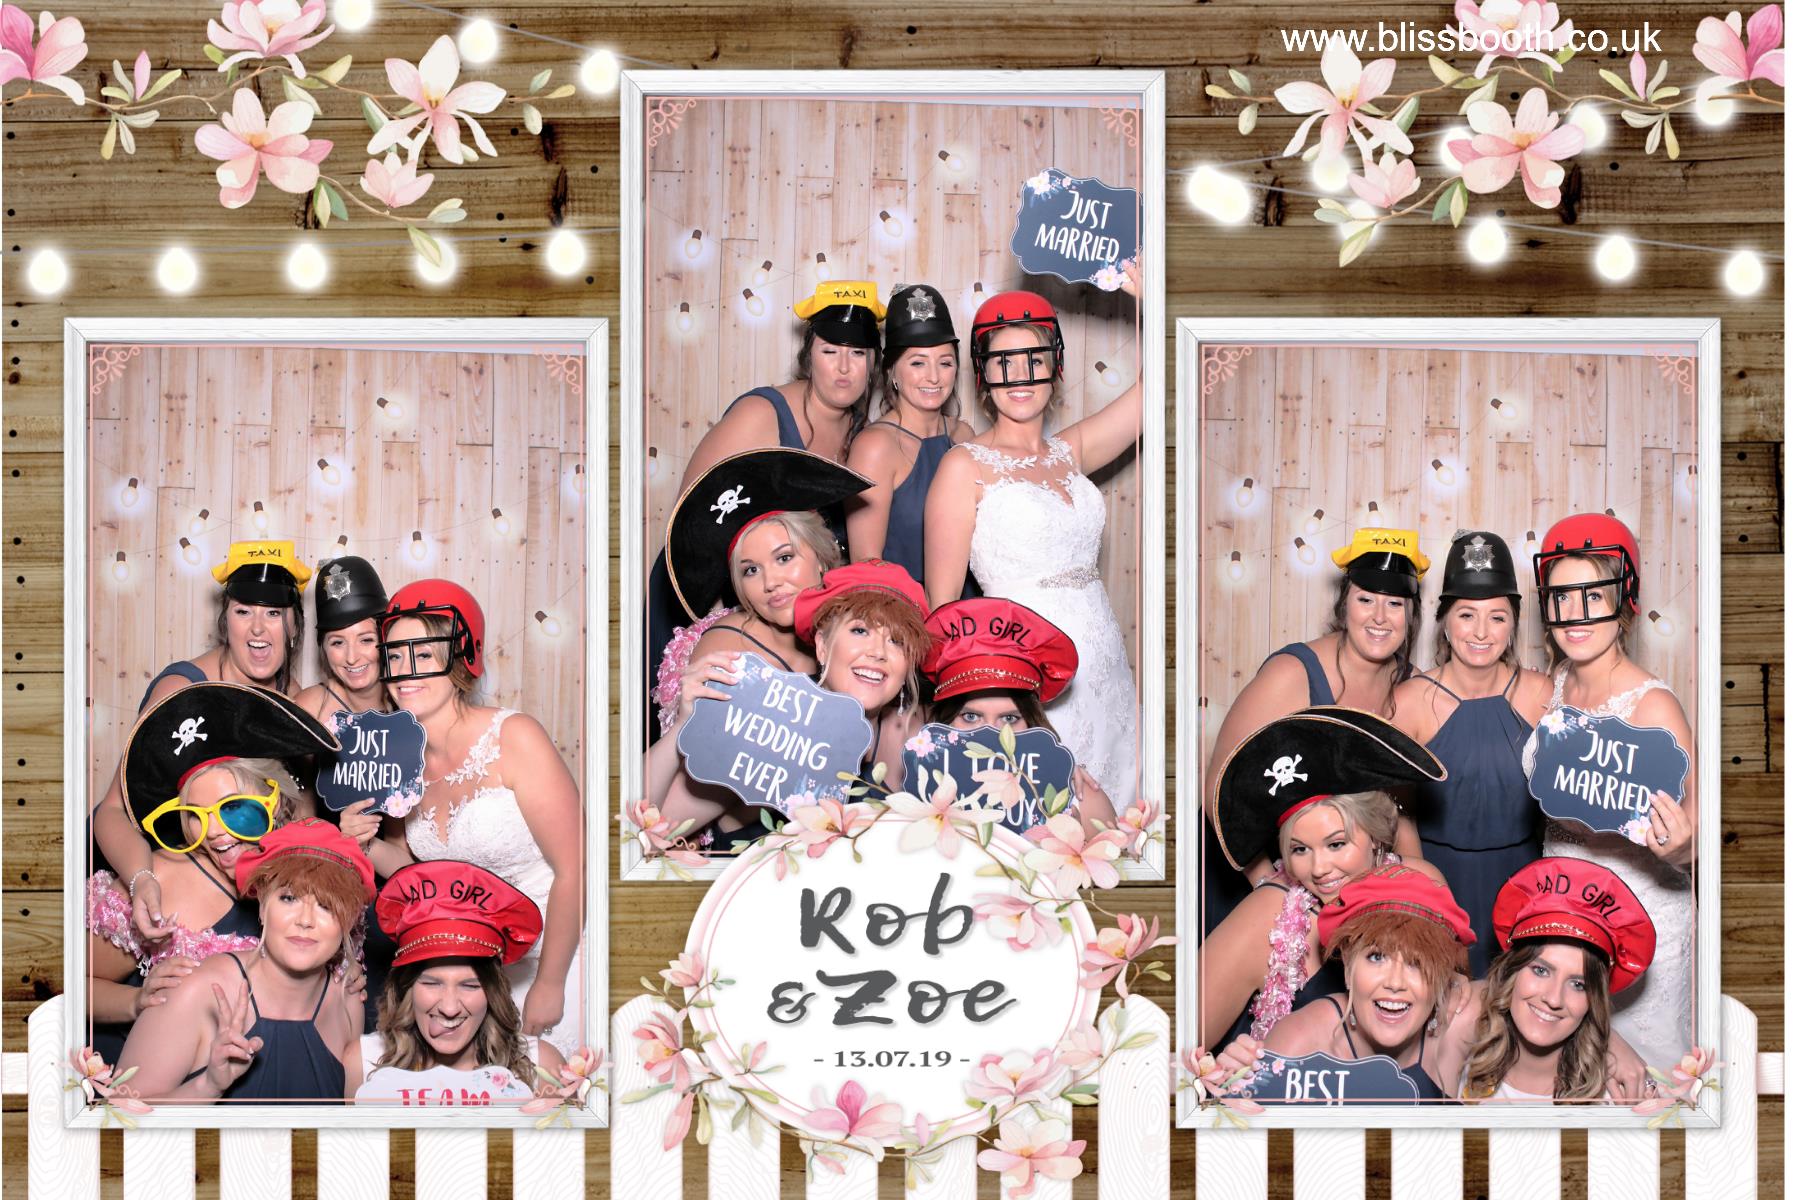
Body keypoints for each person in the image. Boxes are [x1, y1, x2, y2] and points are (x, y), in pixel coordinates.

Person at [923, 266, 1142, 812]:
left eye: (1034, 360)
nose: (1019, 376)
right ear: (982, 374)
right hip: (1025, 670)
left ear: (1055, 368)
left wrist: (1149, 302)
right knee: (1050, 821)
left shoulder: (1071, 451)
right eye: (1003, 362)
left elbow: (1158, 386)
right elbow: (944, 612)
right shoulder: (963, 466)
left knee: (1117, 817)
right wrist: (988, 705)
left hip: (1105, 661)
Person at [348, 580, 586, 1058]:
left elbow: (575, 869)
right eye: (395, 656)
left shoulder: (514, 737)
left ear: (460, 658)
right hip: (474, 974)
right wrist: (365, 843)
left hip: (556, 953)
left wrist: (551, 982)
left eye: (423, 654)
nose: (405, 671)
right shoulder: (399, 759)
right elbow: (421, 877)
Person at [644, 282, 888, 739]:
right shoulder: (761, 414)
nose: (843, 368)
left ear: (874, 362)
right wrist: (721, 628)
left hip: (775, 608)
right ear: (808, 355)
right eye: (830, 351)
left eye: (857, 354)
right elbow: (693, 523)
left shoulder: (863, 434)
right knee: (695, 737)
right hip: (700, 597)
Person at [1521, 513, 1696, 1069]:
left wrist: (1681, 848)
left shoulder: (1653, 706)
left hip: (1640, 915)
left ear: (1623, 602)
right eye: (1561, 597)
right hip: (1564, 907)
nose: (1576, 614)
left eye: (1593, 595)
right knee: (1568, 1072)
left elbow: (1695, 840)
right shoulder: (1555, 687)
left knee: (1644, 1077)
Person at [1198, 526, 1430, 939]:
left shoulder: (1410, 686)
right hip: (1251, 869)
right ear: (1344, 605)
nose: (1379, 616)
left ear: (1410, 615)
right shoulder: (1291, 674)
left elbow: (1401, 805)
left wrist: (1418, 892)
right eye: (1365, 600)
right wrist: (1271, 888)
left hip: (1341, 882)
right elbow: (1219, 787)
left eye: (1394, 603)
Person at [86, 683, 335, 1061]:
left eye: (232, 808)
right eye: (195, 816)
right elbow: (78, 987)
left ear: (273, 803)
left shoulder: (306, 876)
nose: (214, 832)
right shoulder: (162, 881)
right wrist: (135, 1001)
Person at [93, 540, 315, 941]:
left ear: (294, 625)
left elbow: (297, 809)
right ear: (225, 621)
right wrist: (142, 879)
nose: (258, 627)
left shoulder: (293, 701)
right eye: (243, 611)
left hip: (240, 883)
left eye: (273, 613)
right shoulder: (182, 691)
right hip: (159, 877)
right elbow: (110, 812)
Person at [1196, 707, 1448, 1053]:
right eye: (1300, 849)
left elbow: (1449, 1008)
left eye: (1336, 844)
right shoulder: (1266, 917)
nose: (1319, 868)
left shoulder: (1421, 883)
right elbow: (1179, 1043)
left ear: (1376, 837)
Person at [651, 561, 931, 850]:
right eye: (860, 631)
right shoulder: (771, 721)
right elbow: (641, 834)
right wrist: (683, 725)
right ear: (822, 645)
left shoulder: (919, 740)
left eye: (897, 640)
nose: (878, 652)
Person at [115, 818, 373, 1101]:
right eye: (289, 898)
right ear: (262, 904)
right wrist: (208, 1086)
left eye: (326, 906)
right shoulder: (197, 989)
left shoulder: (348, 1001)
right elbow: (117, 1115)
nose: (305, 920)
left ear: (349, 920)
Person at [1392, 530, 1553, 975]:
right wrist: (1424, 891)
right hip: (1439, 879)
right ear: (1444, 621)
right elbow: (1396, 811)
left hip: (1526, 881)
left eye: (1497, 617)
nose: (1481, 632)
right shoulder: (1408, 702)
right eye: (1466, 615)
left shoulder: (1542, 694)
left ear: (1513, 624)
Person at [1214, 865, 1477, 1101]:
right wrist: (1229, 1093)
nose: (1395, 982)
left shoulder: (1463, 1017)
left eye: (1416, 963)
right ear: (1349, 961)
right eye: (1376, 957)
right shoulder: (1299, 1044)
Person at [653, 448, 867, 737]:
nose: (770, 582)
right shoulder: (729, 652)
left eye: (784, 558)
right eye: (751, 570)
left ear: (820, 558)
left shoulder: (855, 629)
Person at [1452, 858, 1657, 1103]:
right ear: (1511, 972)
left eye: (1578, 985)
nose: (1553, 999)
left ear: (1594, 1001)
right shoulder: (1457, 1059)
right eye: (1540, 971)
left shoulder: (1616, 1100)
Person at [356, 860, 559, 1103]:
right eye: (431, 983)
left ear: (493, 993)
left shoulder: (543, 1069)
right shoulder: (362, 1063)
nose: (450, 1008)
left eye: (470, 985)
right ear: (406, 987)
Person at [919, 597, 1112, 832]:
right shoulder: (919, 791)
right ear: (945, 721)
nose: (991, 734)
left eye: (1009, 719)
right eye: (971, 717)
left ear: (1031, 722)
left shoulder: (1080, 798)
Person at [847, 283, 977, 591]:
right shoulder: (874, 447)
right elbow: (865, 566)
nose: (934, 376)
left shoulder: (964, 435)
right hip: (903, 609)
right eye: (918, 362)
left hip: (969, 606)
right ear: (892, 372)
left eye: (945, 362)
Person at [297, 555, 391, 724]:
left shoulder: (410, 698)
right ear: (323, 647)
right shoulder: (308, 710)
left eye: (366, 640)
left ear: (386, 637)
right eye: (338, 642)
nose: (351, 658)